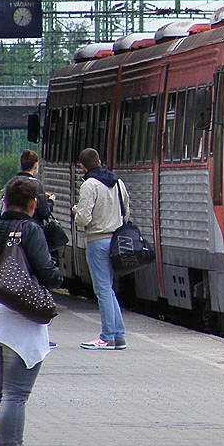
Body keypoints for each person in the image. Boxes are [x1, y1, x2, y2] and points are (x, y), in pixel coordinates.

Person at [0, 176, 62, 446]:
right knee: (15, 394)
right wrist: (57, 272)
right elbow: (49, 276)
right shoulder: (30, 230)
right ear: (33, 203)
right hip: (20, 322)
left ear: (4, 200)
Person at [73, 147, 129, 350]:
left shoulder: (90, 185)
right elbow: (127, 212)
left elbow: (84, 218)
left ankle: (107, 337)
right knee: (109, 289)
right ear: (99, 161)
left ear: (82, 166)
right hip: (115, 240)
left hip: (97, 240)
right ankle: (119, 335)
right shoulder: (118, 182)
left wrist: (76, 212)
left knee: (102, 289)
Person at [0, 149, 54, 227]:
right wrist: (50, 202)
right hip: (31, 229)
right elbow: (44, 213)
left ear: (20, 164)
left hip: (11, 228)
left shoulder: (12, 183)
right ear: (36, 166)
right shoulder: (36, 185)